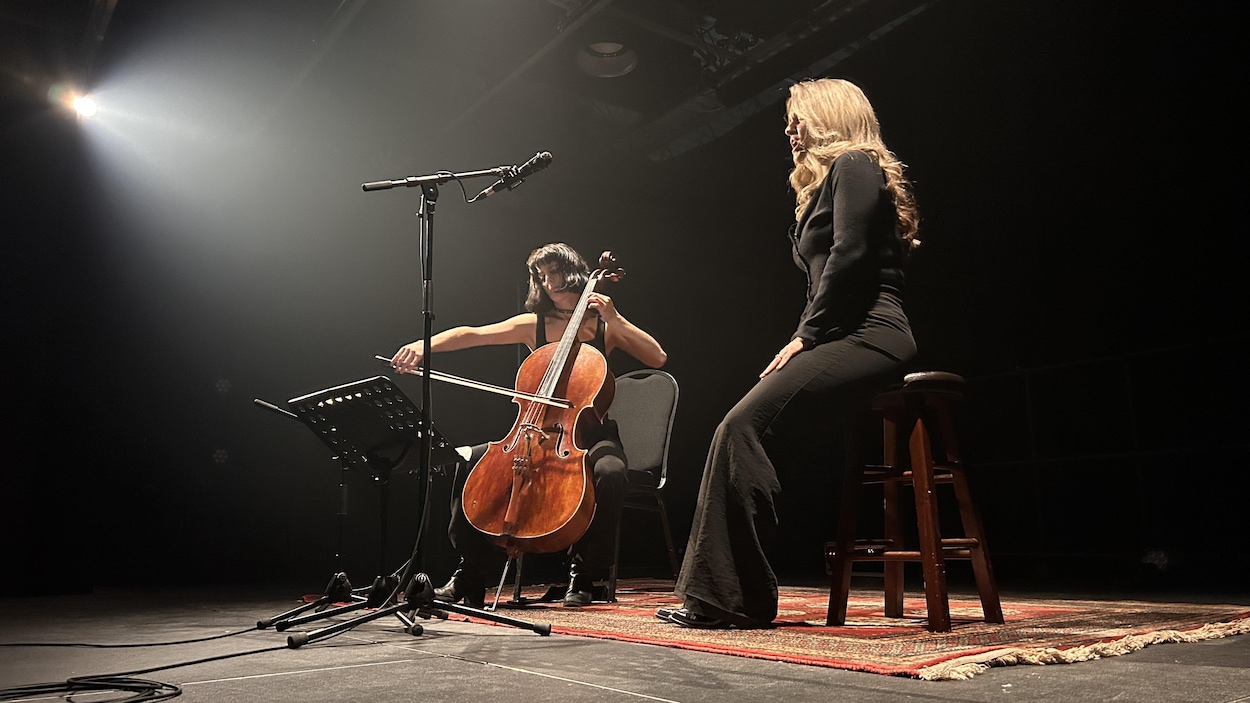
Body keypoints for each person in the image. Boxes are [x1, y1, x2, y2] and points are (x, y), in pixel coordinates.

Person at [661, 78, 920, 629]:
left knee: (740, 427)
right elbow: (825, 275)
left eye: (797, 117)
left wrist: (805, 335)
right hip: (839, 333)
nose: (789, 130)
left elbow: (849, 256)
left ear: (828, 115)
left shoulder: (855, 163)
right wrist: (811, 333)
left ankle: (731, 599)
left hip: (873, 333)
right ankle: (723, 595)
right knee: (737, 429)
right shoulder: (828, 182)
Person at [391, 242, 668, 608]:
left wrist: (615, 319)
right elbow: (472, 334)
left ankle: (585, 575)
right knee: (467, 460)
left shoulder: (603, 327)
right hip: (529, 432)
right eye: (541, 276)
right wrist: (423, 346)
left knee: (612, 472)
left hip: (590, 435)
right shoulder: (533, 325)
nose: (549, 282)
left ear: (572, 271)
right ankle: (470, 576)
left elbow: (658, 357)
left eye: (554, 272)